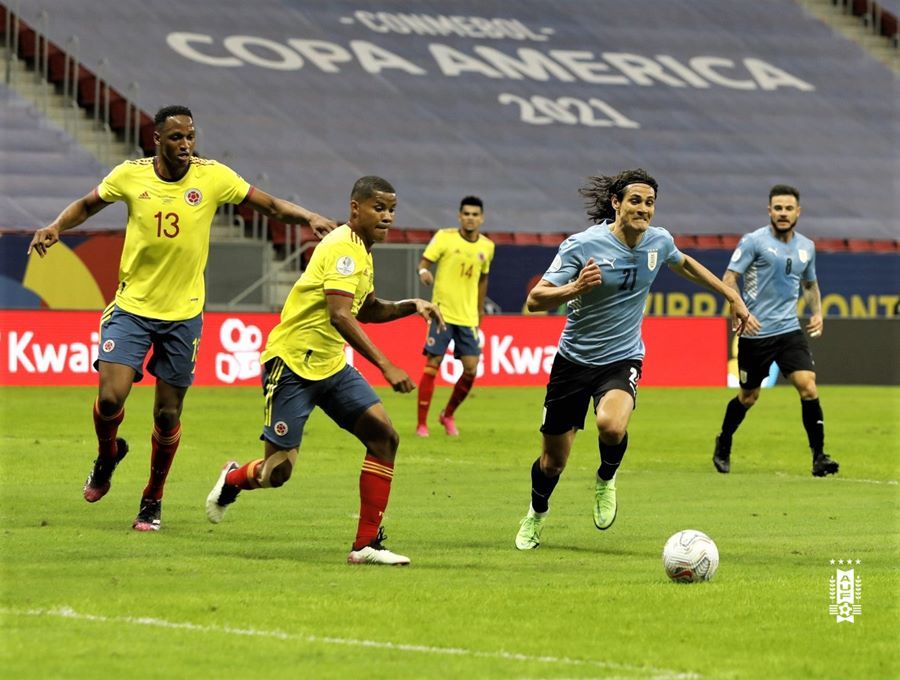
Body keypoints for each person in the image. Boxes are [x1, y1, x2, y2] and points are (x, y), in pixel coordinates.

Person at [26, 105, 335, 532]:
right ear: (157, 140)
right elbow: (87, 204)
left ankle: (152, 498)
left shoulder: (213, 177)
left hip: (184, 315)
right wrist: (56, 226)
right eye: (176, 138)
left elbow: (269, 206)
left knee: (167, 415)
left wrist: (309, 217)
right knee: (112, 398)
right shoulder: (131, 175)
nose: (186, 144)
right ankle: (107, 455)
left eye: (190, 136)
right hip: (132, 307)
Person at [205, 176, 444, 566]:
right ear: (355, 208)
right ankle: (233, 478)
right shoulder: (341, 250)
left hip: (331, 366)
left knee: (384, 437)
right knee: (277, 473)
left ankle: (366, 545)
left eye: (391, 209)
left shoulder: (363, 252)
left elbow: (364, 309)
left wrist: (410, 305)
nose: (387, 217)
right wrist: (385, 364)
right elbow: (339, 315)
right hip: (293, 364)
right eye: (378, 208)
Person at [514, 168, 750, 550]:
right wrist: (575, 287)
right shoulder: (582, 245)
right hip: (573, 361)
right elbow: (534, 300)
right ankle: (536, 513)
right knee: (552, 463)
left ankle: (606, 477)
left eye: (650, 202)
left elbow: (684, 263)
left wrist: (730, 295)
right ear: (616, 204)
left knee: (611, 425)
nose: (643, 209)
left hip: (622, 358)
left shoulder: (658, 241)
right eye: (635, 201)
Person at [712, 184, 839, 477]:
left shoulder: (807, 246)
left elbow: (809, 284)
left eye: (788, 208)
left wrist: (817, 312)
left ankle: (819, 457)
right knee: (749, 397)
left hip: (789, 330)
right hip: (755, 333)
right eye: (778, 208)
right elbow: (729, 279)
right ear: (769, 210)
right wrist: (738, 308)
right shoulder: (753, 242)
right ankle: (724, 441)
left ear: (798, 212)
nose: (783, 213)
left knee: (808, 386)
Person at [415, 196, 495, 437]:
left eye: (475, 214)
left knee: (471, 369)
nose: (470, 218)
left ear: (481, 218)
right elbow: (424, 263)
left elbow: (483, 280)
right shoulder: (444, 237)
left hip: (468, 317)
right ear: (460, 216)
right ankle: (422, 424)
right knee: (433, 364)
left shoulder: (487, 247)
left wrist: (480, 311)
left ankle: (447, 415)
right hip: (442, 313)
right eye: (466, 214)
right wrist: (423, 272)